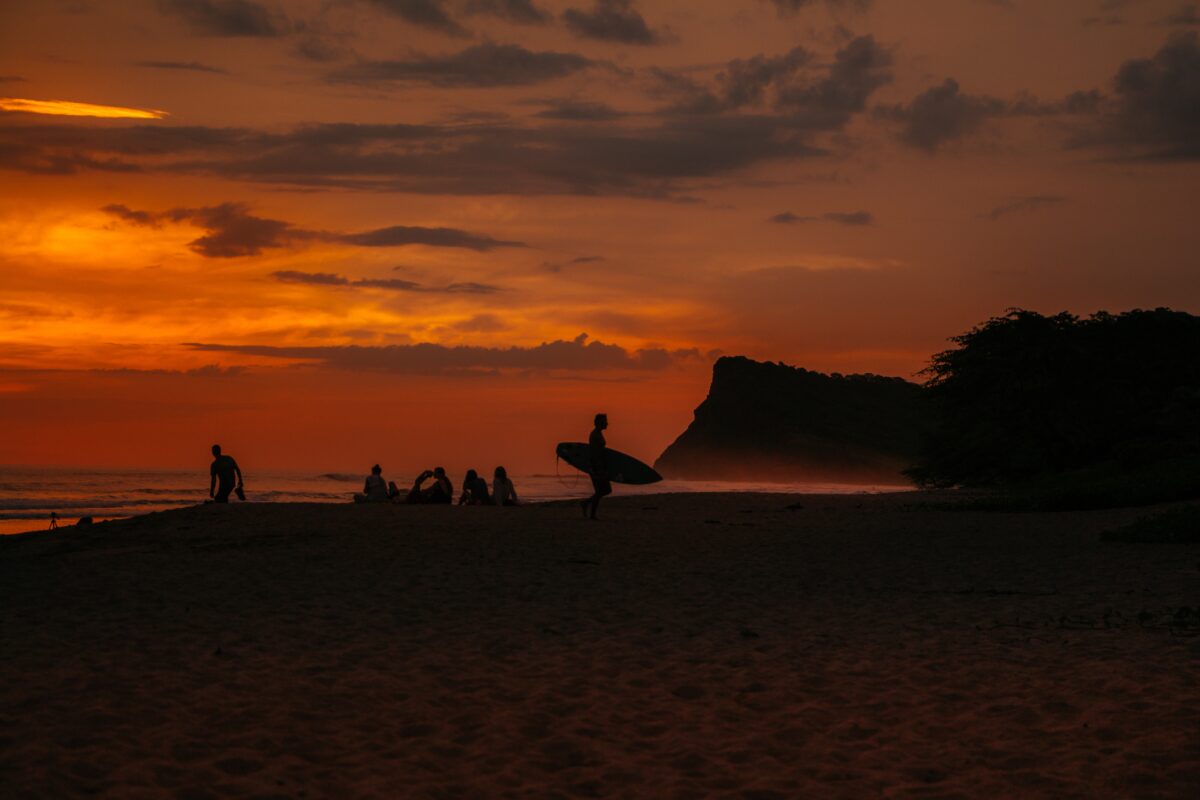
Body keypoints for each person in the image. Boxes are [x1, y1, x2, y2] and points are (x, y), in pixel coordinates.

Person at [581, 413, 612, 519]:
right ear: (600, 423)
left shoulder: (597, 434)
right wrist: (600, 469)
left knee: (603, 490)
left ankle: (587, 505)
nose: (607, 423)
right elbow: (595, 454)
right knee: (603, 490)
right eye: (605, 421)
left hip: (599, 466)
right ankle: (590, 511)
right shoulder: (595, 435)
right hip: (597, 467)